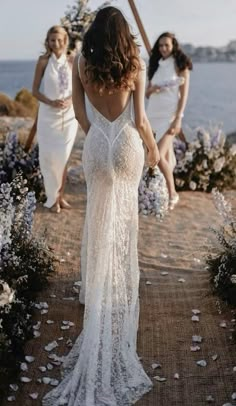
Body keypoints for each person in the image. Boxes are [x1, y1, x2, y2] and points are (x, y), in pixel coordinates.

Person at [42, 6, 159, 406]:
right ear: (125, 33)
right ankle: (119, 293)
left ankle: (92, 291)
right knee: (124, 224)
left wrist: (98, 138)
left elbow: (78, 112)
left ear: (93, 32)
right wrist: (154, 152)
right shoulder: (134, 62)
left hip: (95, 145)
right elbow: (141, 119)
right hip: (126, 144)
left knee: (96, 219)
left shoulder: (80, 61)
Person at [32, 25, 78, 213]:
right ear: (48, 41)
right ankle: (53, 197)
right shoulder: (43, 61)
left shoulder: (72, 60)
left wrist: (69, 100)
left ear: (65, 40)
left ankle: (60, 195)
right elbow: (35, 91)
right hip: (47, 115)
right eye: (53, 40)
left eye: (60, 40)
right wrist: (50, 101)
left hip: (68, 115)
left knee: (63, 155)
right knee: (49, 157)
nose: (56, 43)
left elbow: (79, 89)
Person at [146, 32, 192, 209]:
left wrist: (178, 119)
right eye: (160, 46)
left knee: (157, 155)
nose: (163, 48)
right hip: (153, 115)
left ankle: (173, 193)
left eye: (166, 45)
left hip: (169, 116)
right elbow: (146, 94)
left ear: (173, 45)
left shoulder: (181, 65)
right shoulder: (156, 65)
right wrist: (154, 89)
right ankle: (164, 192)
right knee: (161, 156)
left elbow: (184, 96)